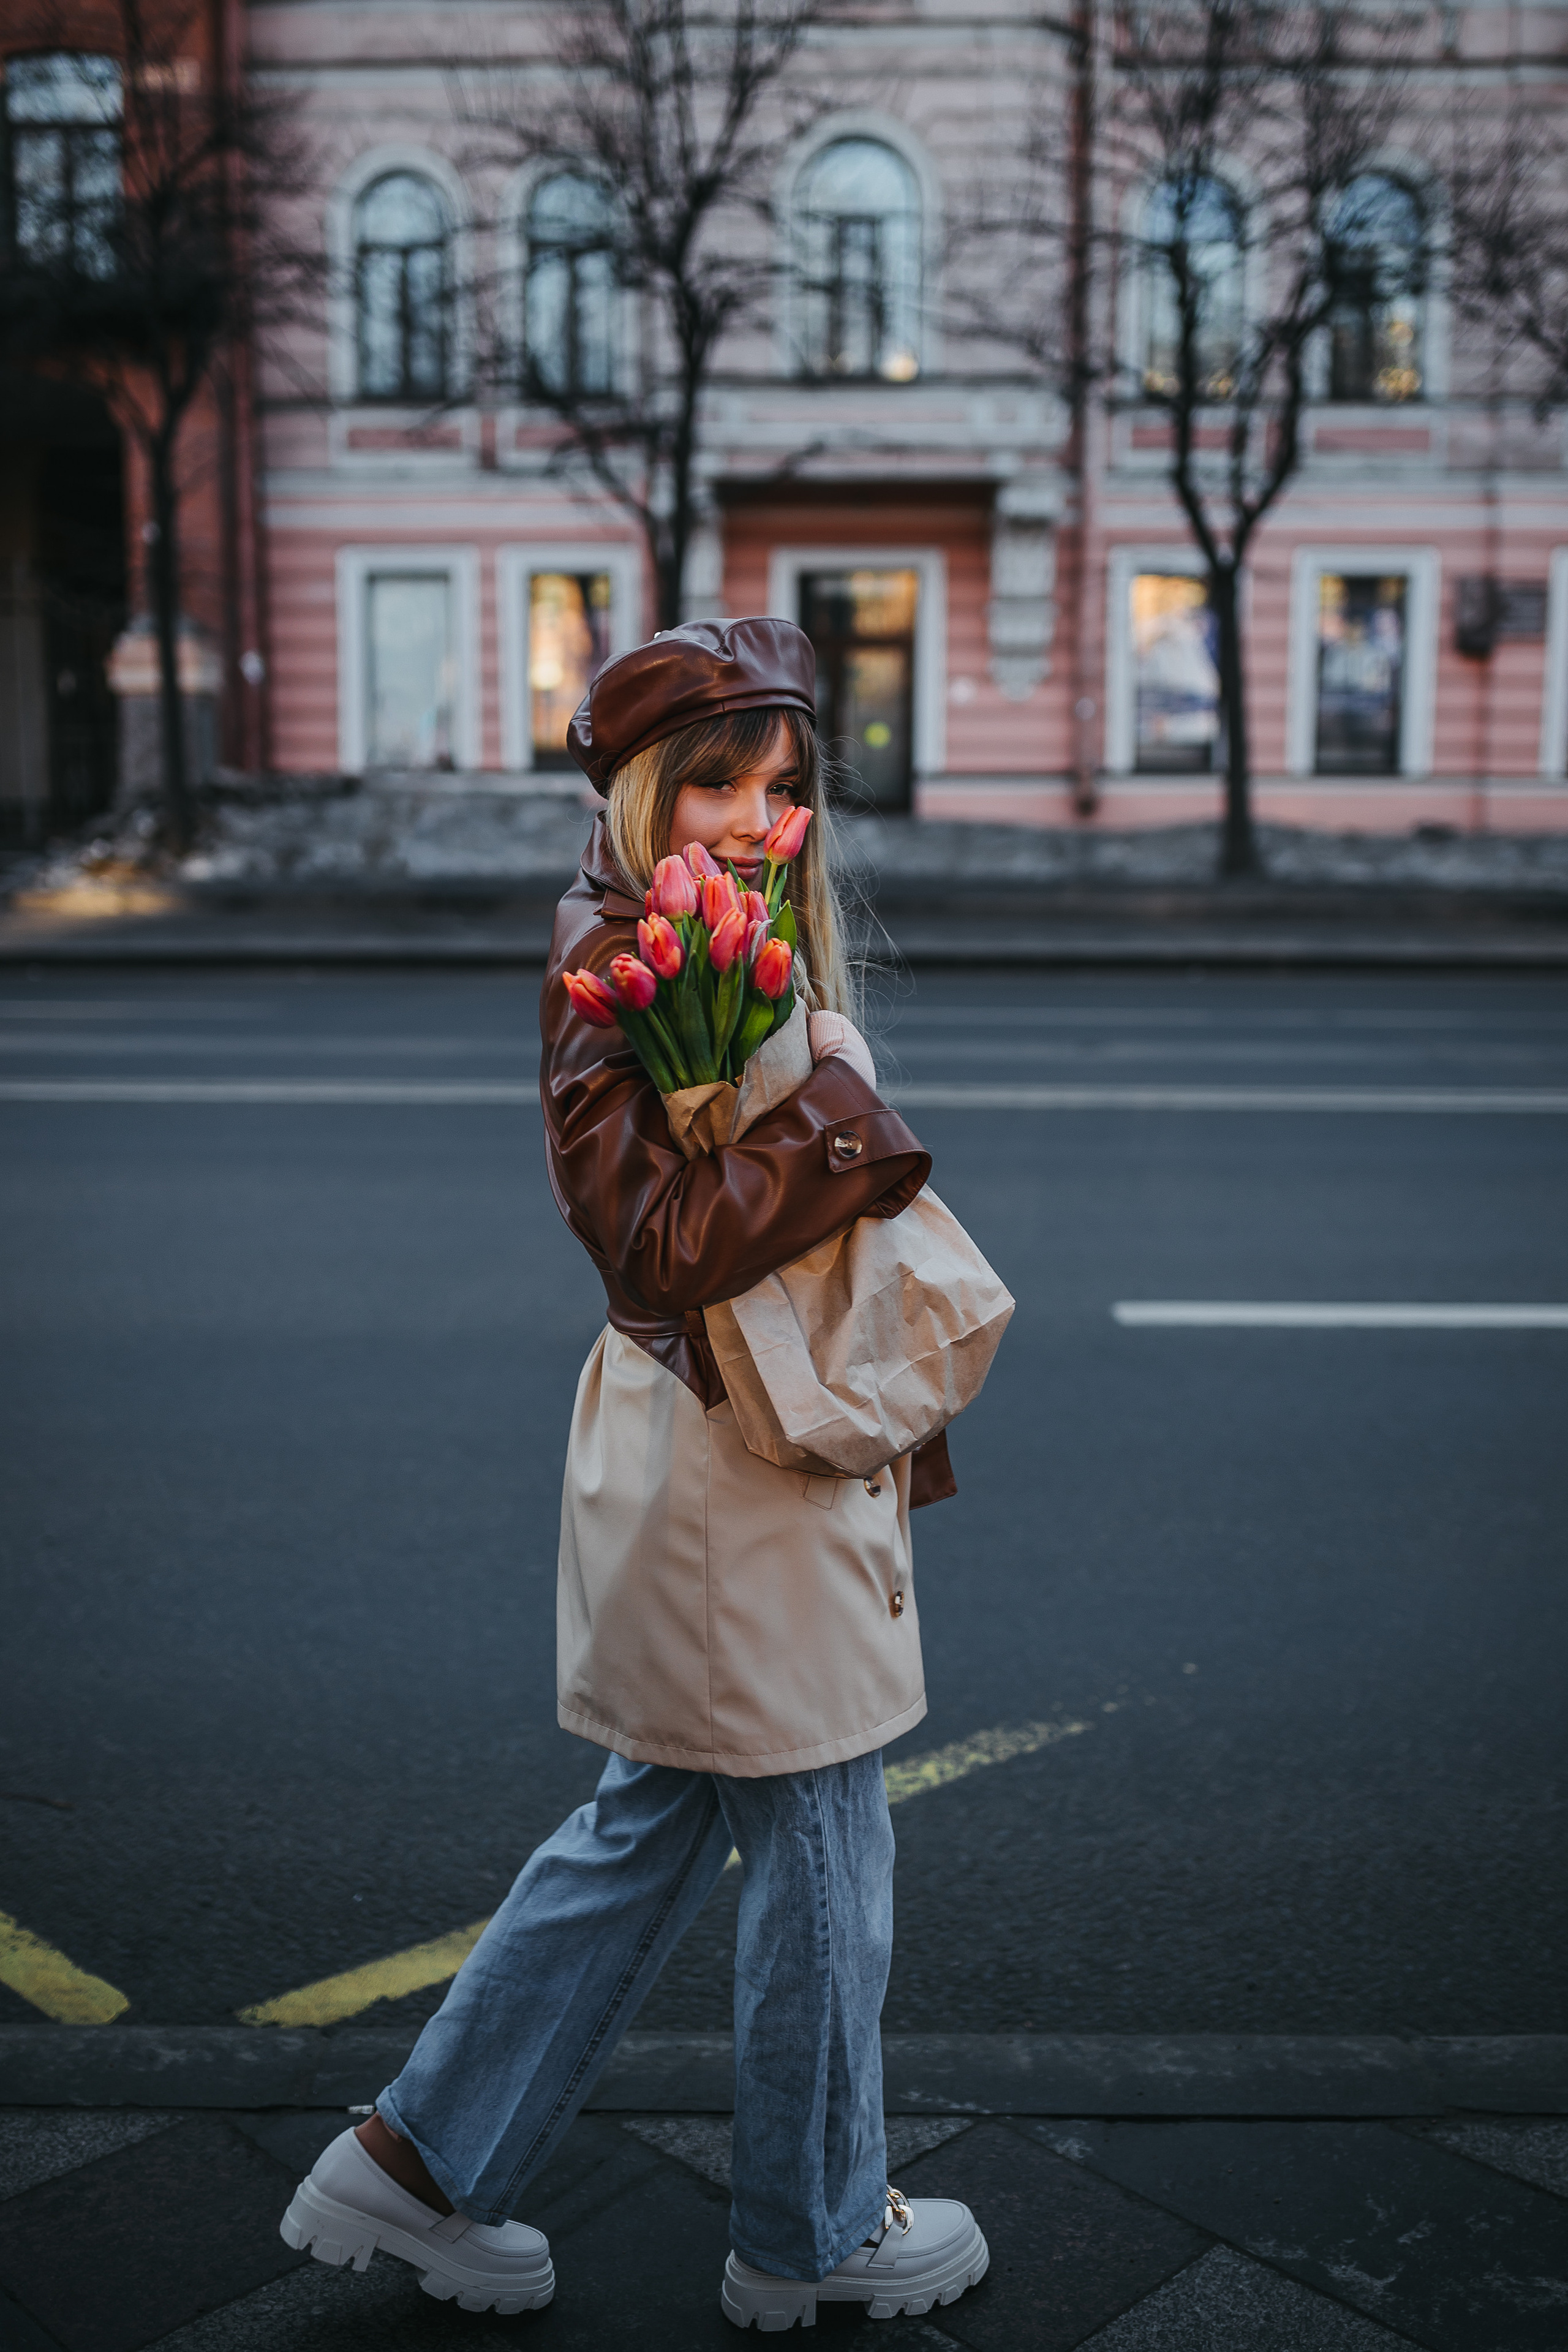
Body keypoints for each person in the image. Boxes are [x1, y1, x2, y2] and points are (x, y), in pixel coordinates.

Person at [279, 617, 989, 2328]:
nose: (754, 817)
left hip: (726, 1445)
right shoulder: (628, 961)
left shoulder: (712, 938)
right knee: (825, 1849)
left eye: (783, 785)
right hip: (729, 1455)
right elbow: (655, 1242)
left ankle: (419, 2166)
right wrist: (838, 1111)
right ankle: (812, 2234)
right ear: (638, 786)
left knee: (652, 1830)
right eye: (717, 783)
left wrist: (811, 1085)